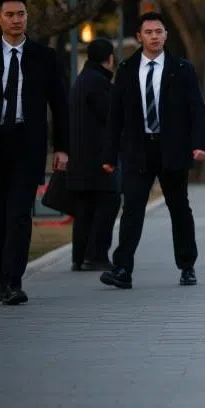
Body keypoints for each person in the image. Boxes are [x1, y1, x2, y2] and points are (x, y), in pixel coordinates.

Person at [99, 12, 205, 289]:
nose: (154, 37)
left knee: (179, 208)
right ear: (139, 37)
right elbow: (115, 116)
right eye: (148, 32)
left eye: (159, 31)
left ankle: (187, 265)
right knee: (132, 209)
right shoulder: (126, 69)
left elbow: (197, 109)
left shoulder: (182, 69)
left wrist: (200, 144)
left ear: (166, 35)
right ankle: (122, 269)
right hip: (138, 149)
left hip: (172, 148)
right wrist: (109, 155)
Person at [0, 0, 69, 305]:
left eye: (21, 14)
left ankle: (13, 282)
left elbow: (60, 105)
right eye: (10, 14)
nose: (16, 19)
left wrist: (62, 148)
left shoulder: (44, 57)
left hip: (27, 144)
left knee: (19, 215)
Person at [67, 38, 120, 272]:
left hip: (79, 158)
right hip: (98, 157)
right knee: (108, 202)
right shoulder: (99, 83)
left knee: (84, 209)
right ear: (109, 58)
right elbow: (111, 117)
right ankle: (96, 255)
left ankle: (79, 257)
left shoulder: (81, 80)